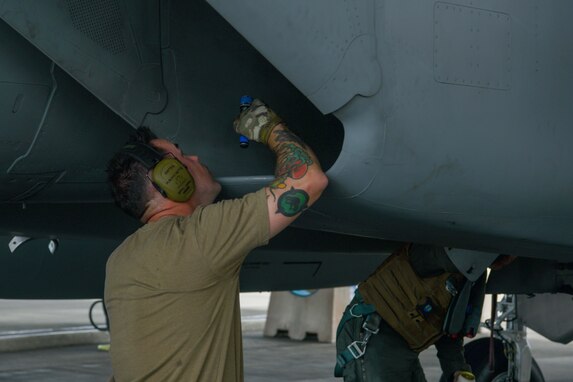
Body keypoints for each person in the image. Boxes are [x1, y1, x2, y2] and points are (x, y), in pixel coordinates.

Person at [104, 99, 328, 382]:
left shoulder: (120, 259)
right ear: (170, 178)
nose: (195, 160)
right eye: (182, 156)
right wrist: (269, 127)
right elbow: (309, 180)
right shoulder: (197, 238)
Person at [335, 244, 487, 382]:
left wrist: (458, 371)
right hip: (373, 334)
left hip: (405, 345)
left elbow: (450, 327)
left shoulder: (471, 273)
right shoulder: (439, 252)